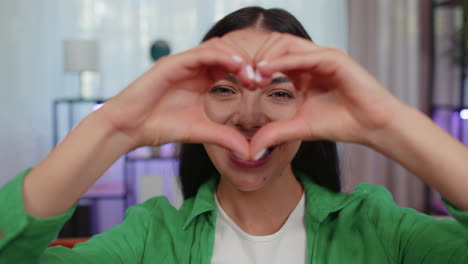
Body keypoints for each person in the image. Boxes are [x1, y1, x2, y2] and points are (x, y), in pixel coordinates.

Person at [0, 6, 467, 264]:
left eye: (279, 95)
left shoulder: (380, 230)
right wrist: (115, 124)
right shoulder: (150, 238)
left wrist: (386, 120)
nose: (249, 117)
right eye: (224, 89)